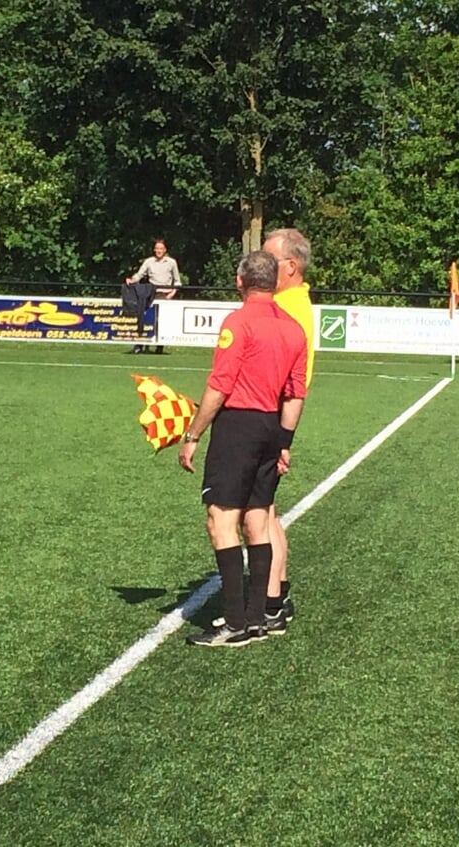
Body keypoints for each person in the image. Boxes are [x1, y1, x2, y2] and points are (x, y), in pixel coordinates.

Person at [177, 250, 306, 647]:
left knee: (221, 520)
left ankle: (234, 621)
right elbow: (296, 394)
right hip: (271, 425)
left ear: (240, 281)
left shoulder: (238, 322)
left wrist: (193, 433)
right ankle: (257, 617)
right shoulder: (294, 329)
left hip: (238, 426)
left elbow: (220, 385)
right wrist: (283, 442)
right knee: (258, 518)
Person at [256, 228, 317, 634]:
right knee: (267, 513)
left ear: (290, 267)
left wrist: (279, 437)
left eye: (267, 261)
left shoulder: (289, 310)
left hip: (268, 418)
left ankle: (270, 602)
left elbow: (291, 381)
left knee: (258, 515)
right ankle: (277, 593)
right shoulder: (290, 304)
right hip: (272, 418)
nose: (259, 268)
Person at [125, 239, 180, 354]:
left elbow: (177, 281)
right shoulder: (149, 261)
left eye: (161, 248)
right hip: (150, 293)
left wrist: (171, 293)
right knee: (143, 317)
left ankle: (159, 346)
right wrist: (132, 280)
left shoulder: (171, 262)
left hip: (165, 294)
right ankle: (139, 344)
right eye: (157, 248)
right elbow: (139, 274)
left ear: (165, 250)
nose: (159, 251)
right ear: (154, 250)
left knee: (161, 321)